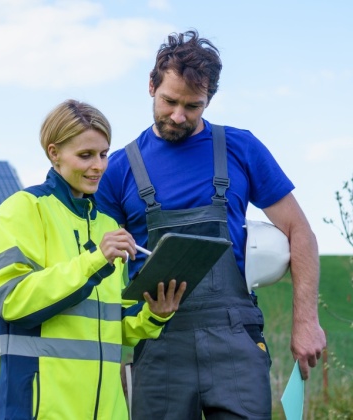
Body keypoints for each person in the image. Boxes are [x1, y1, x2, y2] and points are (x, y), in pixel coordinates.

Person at [95, 30, 327, 419]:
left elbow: (299, 230)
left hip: (234, 338)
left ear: (209, 100)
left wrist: (306, 320)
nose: (179, 116)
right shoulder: (118, 169)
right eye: (169, 101)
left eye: (193, 105)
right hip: (157, 340)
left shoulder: (239, 147)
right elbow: (98, 260)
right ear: (151, 86)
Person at [0, 99, 186, 419]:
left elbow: (111, 326)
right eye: (86, 155)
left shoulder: (108, 226)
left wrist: (154, 315)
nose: (99, 166)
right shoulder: (20, 210)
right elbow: (11, 300)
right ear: (54, 153)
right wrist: (93, 261)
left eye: (104, 154)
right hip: (37, 410)